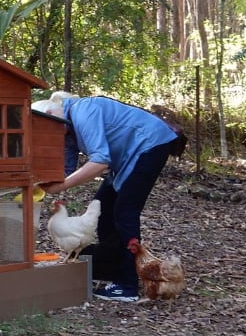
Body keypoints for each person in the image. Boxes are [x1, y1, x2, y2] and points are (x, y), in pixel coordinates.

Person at [35, 92, 180, 302]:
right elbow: (64, 170)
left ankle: (127, 285)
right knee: (103, 210)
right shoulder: (66, 131)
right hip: (126, 158)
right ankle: (112, 269)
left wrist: (63, 185)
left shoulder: (83, 112)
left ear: (50, 116)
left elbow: (100, 161)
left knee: (125, 213)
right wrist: (42, 182)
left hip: (150, 144)